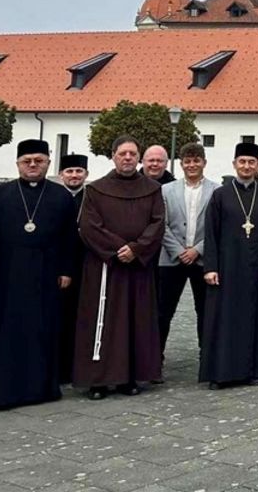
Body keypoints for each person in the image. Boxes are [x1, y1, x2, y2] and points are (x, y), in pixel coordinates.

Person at [0, 140, 78, 410]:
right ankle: (2, 389)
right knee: (5, 330)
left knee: (44, 329)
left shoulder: (61, 196)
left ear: (48, 163)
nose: (33, 165)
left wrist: (67, 270)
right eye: (27, 161)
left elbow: (70, 239)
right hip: (7, 271)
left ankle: (42, 388)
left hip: (47, 271)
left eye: (39, 160)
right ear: (18, 163)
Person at [73, 135, 165, 400]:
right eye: (123, 153)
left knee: (135, 322)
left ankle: (129, 377)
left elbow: (158, 223)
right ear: (113, 155)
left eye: (132, 154)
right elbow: (89, 226)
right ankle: (98, 380)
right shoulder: (96, 189)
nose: (128, 158)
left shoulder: (152, 188)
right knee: (102, 321)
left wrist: (136, 249)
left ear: (139, 158)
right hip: (105, 267)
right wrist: (117, 250)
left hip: (138, 268)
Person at [200, 143, 258, 389]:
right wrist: (210, 267)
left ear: (257, 165)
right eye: (242, 162)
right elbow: (210, 234)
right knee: (224, 319)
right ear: (234, 164)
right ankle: (221, 373)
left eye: (251, 162)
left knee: (255, 319)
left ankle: (252, 370)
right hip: (226, 268)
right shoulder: (221, 195)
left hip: (256, 269)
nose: (247, 166)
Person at [157, 143, 216, 368]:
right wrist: (179, 251)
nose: (192, 165)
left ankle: (207, 359)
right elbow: (161, 225)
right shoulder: (166, 190)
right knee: (163, 311)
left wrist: (197, 250)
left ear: (204, 162)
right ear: (181, 164)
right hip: (171, 258)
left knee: (205, 311)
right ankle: (156, 359)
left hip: (202, 258)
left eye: (196, 160)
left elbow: (217, 227)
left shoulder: (216, 190)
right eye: (188, 161)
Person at [56, 153, 88, 385]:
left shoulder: (93, 197)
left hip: (86, 265)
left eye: (79, 171)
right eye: (70, 171)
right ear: (61, 175)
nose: (74, 175)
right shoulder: (52, 196)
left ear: (86, 175)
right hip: (57, 267)